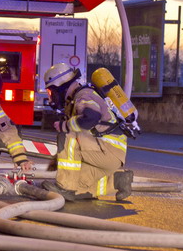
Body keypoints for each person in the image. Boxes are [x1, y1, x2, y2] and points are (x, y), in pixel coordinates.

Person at [41, 63, 133, 202]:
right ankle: (118, 181)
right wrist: (57, 160)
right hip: (107, 156)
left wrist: (64, 125)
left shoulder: (84, 95)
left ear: (60, 86)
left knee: (65, 134)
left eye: (51, 92)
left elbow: (91, 118)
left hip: (107, 151)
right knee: (81, 184)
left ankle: (65, 186)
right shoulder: (77, 98)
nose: (51, 96)